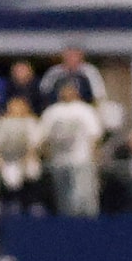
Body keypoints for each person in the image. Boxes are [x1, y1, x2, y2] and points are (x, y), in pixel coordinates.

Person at [40, 79, 104, 217]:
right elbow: (44, 138)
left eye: (70, 88)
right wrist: (49, 156)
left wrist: (94, 158)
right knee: (63, 199)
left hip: (81, 160)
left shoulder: (85, 110)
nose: (67, 92)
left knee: (84, 196)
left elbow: (95, 136)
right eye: (64, 89)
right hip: (59, 161)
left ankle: (89, 226)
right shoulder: (51, 111)